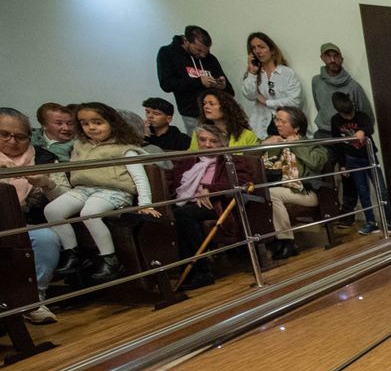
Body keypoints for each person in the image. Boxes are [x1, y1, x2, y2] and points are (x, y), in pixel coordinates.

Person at [43, 102, 160, 284]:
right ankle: (73, 253)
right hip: (84, 188)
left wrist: (146, 204)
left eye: (97, 122)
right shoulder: (80, 146)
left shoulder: (123, 148)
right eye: (85, 123)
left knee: (90, 213)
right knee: (52, 210)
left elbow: (139, 177)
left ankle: (110, 259)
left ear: (112, 123)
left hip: (114, 190)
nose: (91, 127)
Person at [0, 106, 66, 323]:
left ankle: (33, 299)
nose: (12, 141)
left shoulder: (45, 158)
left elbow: (65, 199)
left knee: (46, 239)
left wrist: (47, 184)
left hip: (27, 222)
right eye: (4, 134)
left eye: (20, 136)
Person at [328, 91, 391, 234]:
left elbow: (370, 127)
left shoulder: (361, 116)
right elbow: (337, 144)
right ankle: (371, 222)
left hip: (369, 157)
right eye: (345, 115)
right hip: (352, 160)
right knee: (363, 192)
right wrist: (342, 164)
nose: (348, 117)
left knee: (381, 190)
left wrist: (362, 131)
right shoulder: (335, 120)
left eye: (350, 114)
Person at [168, 124, 235, 291]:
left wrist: (210, 189)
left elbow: (238, 182)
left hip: (216, 204)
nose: (207, 145)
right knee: (175, 215)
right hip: (187, 201)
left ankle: (201, 271)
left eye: (213, 141)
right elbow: (173, 182)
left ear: (222, 143)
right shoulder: (188, 161)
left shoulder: (229, 160)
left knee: (183, 215)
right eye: (203, 140)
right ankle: (184, 271)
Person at [260, 107, 327, 260]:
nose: (277, 124)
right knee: (261, 194)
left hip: (305, 191)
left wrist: (295, 145)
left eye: (282, 121)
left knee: (271, 194)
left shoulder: (311, 144)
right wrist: (264, 143)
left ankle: (287, 242)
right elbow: (250, 158)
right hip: (279, 187)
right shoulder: (274, 142)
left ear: (296, 127)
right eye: (276, 119)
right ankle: (276, 243)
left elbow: (315, 163)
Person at [155, 25, 232, 130]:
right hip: (192, 114)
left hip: (217, 115)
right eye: (198, 50)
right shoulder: (168, 53)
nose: (203, 55)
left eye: (206, 51)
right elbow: (166, 84)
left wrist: (222, 86)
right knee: (199, 139)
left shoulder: (210, 58)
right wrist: (199, 81)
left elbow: (229, 91)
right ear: (186, 41)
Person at [239, 32, 304, 141]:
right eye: (253, 48)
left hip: (285, 129)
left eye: (261, 47)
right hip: (260, 128)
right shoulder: (252, 74)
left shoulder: (286, 73)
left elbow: (296, 102)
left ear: (272, 50)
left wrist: (267, 102)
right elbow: (249, 95)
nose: (257, 51)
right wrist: (252, 72)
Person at [311, 43, 372, 137]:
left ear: (341, 59)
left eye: (336, 56)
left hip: (347, 134)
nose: (332, 60)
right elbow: (319, 105)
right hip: (323, 133)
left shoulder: (353, 86)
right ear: (322, 58)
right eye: (328, 56)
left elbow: (366, 116)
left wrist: (362, 132)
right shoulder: (316, 81)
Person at [188, 91, 258, 149]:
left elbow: (252, 160)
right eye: (204, 104)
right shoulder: (199, 133)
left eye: (211, 104)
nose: (206, 107)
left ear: (226, 107)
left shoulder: (248, 136)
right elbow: (192, 157)